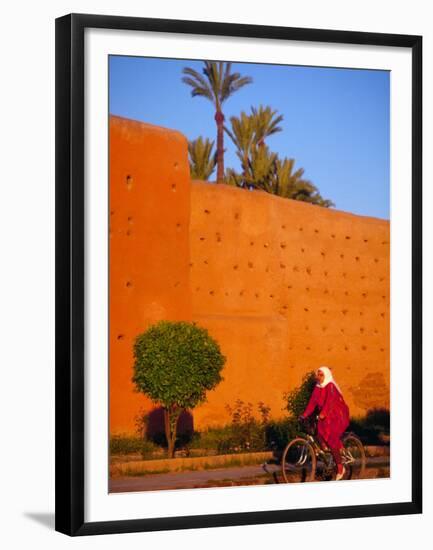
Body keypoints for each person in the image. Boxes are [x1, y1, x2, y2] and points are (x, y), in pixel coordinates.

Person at [299, 366, 350, 481]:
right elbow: (312, 403)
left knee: (331, 440)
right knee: (318, 433)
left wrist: (323, 413)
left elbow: (331, 401)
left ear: (326, 375)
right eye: (318, 375)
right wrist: (304, 414)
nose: (319, 377)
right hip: (325, 416)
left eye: (321, 375)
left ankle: (340, 468)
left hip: (337, 415)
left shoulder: (330, 385)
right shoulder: (318, 387)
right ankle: (335, 451)